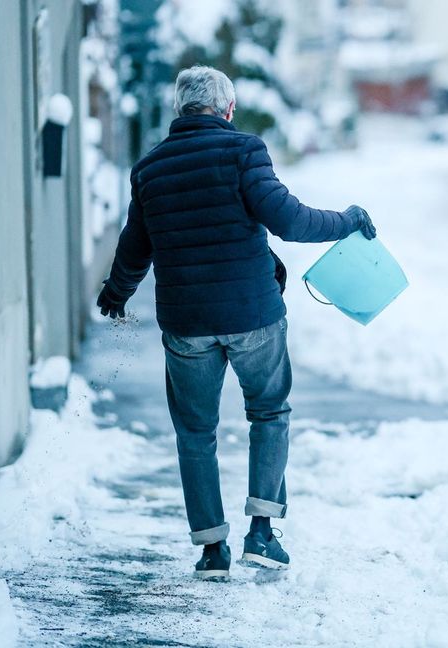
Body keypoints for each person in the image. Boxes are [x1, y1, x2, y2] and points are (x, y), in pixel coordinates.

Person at [96, 65, 376, 579]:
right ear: (227, 110)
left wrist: (116, 294)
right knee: (268, 414)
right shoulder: (244, 151)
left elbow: (136, 246)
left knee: (195, 433)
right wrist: (348, 220)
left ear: (180, 109)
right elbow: (289, 220)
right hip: (254, 316)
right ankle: (263, 535)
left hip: (187, 325)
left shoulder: (150, 169)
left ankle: (210, 550)